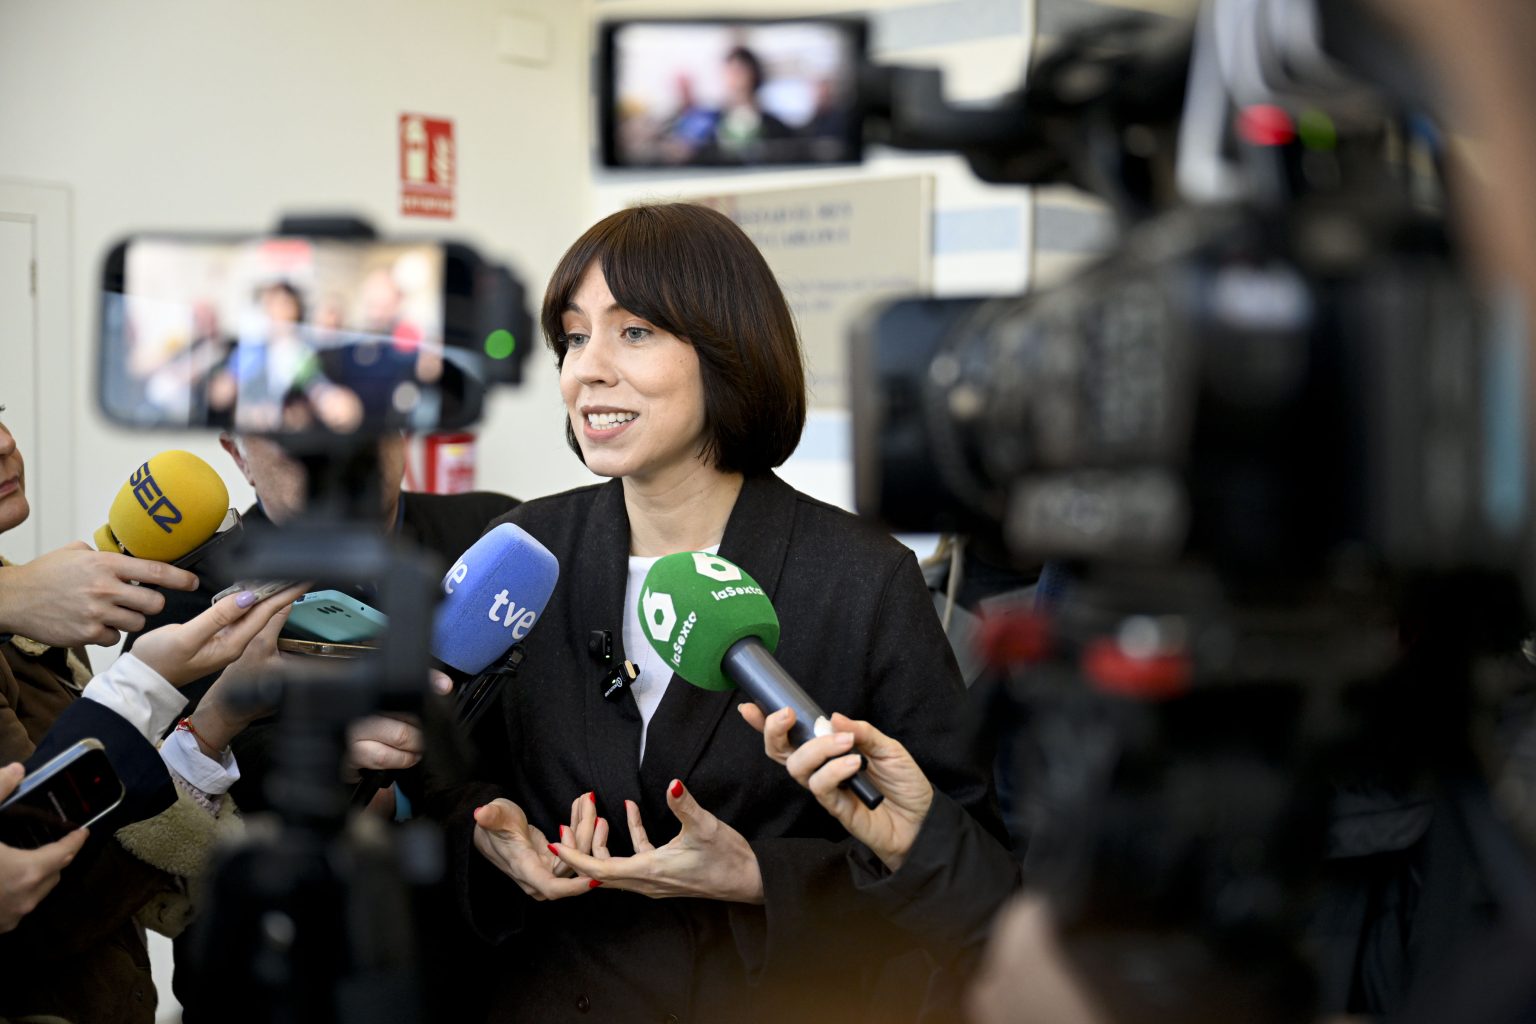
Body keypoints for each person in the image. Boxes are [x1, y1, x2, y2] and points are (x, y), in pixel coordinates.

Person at [424, 202, 998, 1023]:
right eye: (575, 337)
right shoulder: (525, 552)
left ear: (727, 352)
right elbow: (431, 780)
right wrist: (486, 833)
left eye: (634, 332)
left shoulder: (861, 579)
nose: (588, 370)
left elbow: (964, 865)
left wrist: (757, 876)